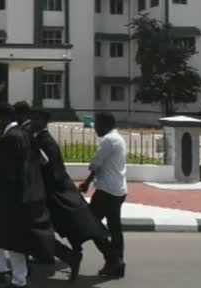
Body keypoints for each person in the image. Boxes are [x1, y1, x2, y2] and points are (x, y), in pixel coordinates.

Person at [0, 104, 54, 288]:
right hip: (26, 195)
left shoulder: (10, 139)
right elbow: (43, 160)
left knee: (13, 240)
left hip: (10, 198)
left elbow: (2, 174)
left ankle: (18, 280)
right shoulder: (25, 134)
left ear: (2, 119)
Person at [30, 109, 110, 281]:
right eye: (33, 118)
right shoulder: (40, 139)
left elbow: (49, 168)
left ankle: (78, 257)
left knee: (76, 228)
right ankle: (54, 256)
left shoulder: (45, 142)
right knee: (72, 228)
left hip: (56, 193)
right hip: (57, 192)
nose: (33, 121)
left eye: (37, 118)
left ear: (44, 121)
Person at [78, 112, 127, 278]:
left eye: (97, 124)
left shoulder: (108, 140)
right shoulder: (119, 138)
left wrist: (86, 182)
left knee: (91, 225)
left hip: (106, 191)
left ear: (105, 124)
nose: (95, 128)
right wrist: (88, 182)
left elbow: (95, 163)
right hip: (119, 190)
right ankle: (117, 264)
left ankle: (113, 259)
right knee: (115, 228)